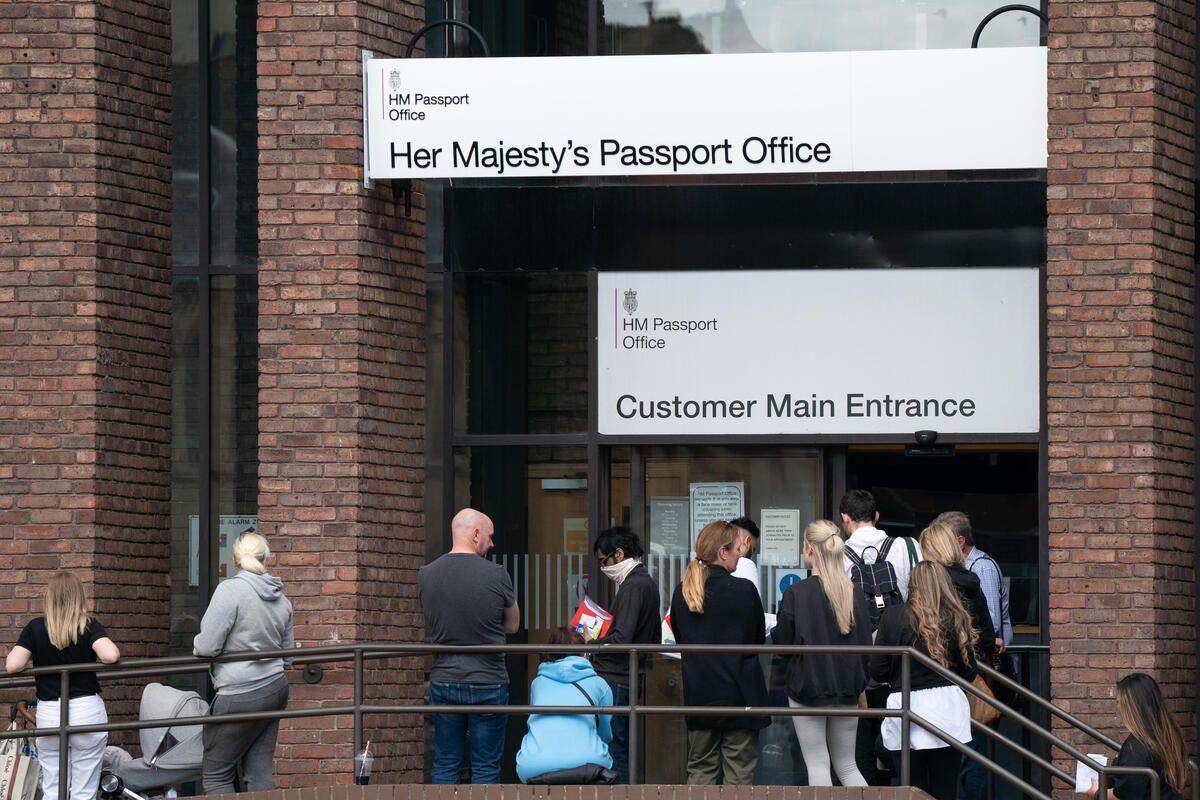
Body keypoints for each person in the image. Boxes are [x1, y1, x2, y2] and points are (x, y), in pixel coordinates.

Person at [418, 508, 520, 784]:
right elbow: (513, 624)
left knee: (446, 763)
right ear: (475, 534)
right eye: (490, 536)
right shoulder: (497, 574)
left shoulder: (426, 574)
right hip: (488, 680)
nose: (492, 543)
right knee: (486, 767)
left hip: (444, 679)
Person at [193, 532, 294, 794]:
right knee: (259, 771)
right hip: (275, 688)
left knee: (216, 774)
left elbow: (206, 648)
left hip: (239, 692)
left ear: (235, 560)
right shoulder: (282, 598)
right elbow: (288, 656)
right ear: (265, 558)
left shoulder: (230, 590)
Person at [773, 520, 871, 787]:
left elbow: (782, 643)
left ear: (809, 550)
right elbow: (866, 644)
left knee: (817, 766)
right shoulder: (855, 593)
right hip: (848, 689)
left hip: (808, 688)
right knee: (849, 767)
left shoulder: (796, 593)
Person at [669, 520, 769, 785]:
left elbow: (680, 639)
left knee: (700, 770)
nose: (740, 553)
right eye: (737, 548)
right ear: (723, 552)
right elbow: (757, 639)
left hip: (700, 694)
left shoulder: (683, 592)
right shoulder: (744, 590)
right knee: (740, 772)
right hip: (741, 694)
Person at [869, 561, 978, 800]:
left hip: (906, 706)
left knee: (911, 788)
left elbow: (877, 669)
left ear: (912, 585)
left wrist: (896, 676)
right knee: (946, 788)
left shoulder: (894, 616)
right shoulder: (955, 615)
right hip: (948, 709)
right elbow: (970, 671)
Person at [6, 573, 120, 800]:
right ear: (78, 597)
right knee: (84, 791)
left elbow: (12, 665)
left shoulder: (35, 628)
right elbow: (110, 655)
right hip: (86, 711)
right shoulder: (88, 625)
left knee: (52, 789)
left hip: (50, 714)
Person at [839, 489, 920, 784]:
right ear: (876, 517)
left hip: (856, 658)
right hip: (900, 656)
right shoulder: (906, 547)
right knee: (897, 731)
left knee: (860, 736)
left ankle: (868, 789)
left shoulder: (837, 555)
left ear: (844, 518)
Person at [932, 510, 1013, 800]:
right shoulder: (950, 573)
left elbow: (987, 626)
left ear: (959, 540)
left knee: (973, 750)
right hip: (965, 671)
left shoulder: (981, 568)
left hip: (980, 673)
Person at [591, 526, 660, 784]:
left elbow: (623, 638)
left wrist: (593, 641)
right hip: (631, 674)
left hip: (617, 677)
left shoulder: (633, 586)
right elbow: (651, 636)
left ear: (618, 554)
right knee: (621, 744)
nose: (603, 568)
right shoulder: (646, 582)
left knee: (615, 747)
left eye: (603, 561)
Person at [515, 627, 614, 784]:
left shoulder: (538, 683)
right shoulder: (599, 684)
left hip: (534, 765)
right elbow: (606, 734)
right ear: (584, 653)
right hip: (588, 762)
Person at [1084, 673, 1186, 800]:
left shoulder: (1137, 746)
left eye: (1119, 702)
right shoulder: (1169, 735)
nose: (1118, 707)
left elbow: (1126, 796)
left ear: (1130, 707)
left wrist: (1096, 793)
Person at [918, 523, 995, 661]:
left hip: (939, 669)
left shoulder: (931, 583)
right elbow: (988, 637)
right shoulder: (971, 581)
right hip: (973, 667)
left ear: (930, 551)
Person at [729, 516, 762, 594]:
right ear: (747, 542)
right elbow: (754, 604)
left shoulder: (712, 567)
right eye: (752, 550)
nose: (750, 556)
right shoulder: (745, 564)